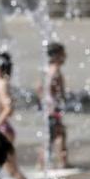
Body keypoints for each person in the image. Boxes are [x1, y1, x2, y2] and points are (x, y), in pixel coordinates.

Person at [38, 42, 70, 170]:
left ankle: (54, 162)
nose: (65, 57)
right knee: (55, 135)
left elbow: (39, 87)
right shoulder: (55, 70)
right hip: (53, 109)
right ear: (56, 56)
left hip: (49, 108)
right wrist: (55, 100)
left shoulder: (47, 69)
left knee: (56, 134)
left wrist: (44, 100)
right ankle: (50, 163)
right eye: (63, 54)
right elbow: (50, 87)